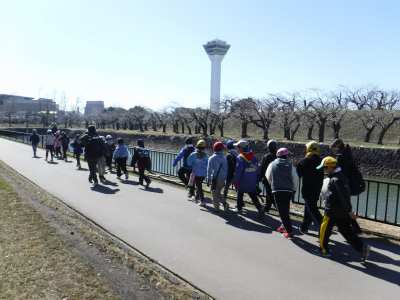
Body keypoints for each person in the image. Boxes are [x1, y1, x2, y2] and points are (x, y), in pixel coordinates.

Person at [318, 156, 370, 260]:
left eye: (324, 168)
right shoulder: (342, 177)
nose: (324, 170)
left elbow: (342, 196)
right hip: (342, 211)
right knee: (347, 232)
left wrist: (350, 211)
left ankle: (324, 249)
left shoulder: (334, 179)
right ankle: (361, 248)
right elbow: (346, 196)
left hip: (332, 210)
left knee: (324, 230)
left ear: (330, 167)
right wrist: (348, 210)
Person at [331, 139, 364, 234]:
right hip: (347, 184)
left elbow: (341, 172)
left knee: (343, 206)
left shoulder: (341, 157)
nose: (333, 151)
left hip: (344, 185)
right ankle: (355, 228)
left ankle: (353, 228)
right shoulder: (347, 154)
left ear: (337, 147)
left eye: (334, 148)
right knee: (345, 206)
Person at [266, 147, 298, 239]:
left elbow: (268, 176)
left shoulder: (272, 164)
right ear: (286, 156)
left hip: (277, 190)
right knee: (285, 209)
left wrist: (273, 184)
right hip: (288, 190)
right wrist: (294, 189)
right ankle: (283, 227)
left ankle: (289, 231)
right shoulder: (290, 165)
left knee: (282, 212)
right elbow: (295, 178)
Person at [296, 141, 324, 234]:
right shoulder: (321, 161)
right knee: (309, 207)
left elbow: (298, 174)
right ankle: (304, 227)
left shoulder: (305, 161)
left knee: (312, 209)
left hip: (307, 189)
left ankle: (324, 226)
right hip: (318, 188)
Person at [232, 140, 265, 218]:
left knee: (240, 193)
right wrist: (256, 179)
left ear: (241, 148)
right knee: (253, 195)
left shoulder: (240, 158)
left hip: (243, 180)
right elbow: (258, 170)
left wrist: (235, 180)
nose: (237, 148)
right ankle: (260, 208)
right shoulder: (254, 157)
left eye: (238, 147)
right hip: (252, 180)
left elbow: (238, 171)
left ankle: (239, 208)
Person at [207, 141, 228, 211]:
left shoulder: (211, 158)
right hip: (223, 179)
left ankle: (217, 208)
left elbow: (209, 170)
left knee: (214, 193)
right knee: (218, 192)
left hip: (215, 178)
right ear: (222, 149)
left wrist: (208, 179)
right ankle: (224, 204)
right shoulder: (224, 158)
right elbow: (226, 169)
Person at [187, 139, 209, 206]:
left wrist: (194, 164)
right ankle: (196, 198)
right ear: (204, 148)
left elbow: (188, 163)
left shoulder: (193, 155)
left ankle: (202, 201)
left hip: (196, 173)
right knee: (199, 185)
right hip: (204, 174)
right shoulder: (206, 156)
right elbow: (208, 164)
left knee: (199, 186)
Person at [259, 139, 278, 213]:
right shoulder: (278, 156)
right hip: (276, 178)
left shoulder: (266, 156)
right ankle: (267, 207)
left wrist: (260, 177)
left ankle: (276, 207)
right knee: (271, 193)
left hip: (267, 178)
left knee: (269, 193)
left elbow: (262, 168)